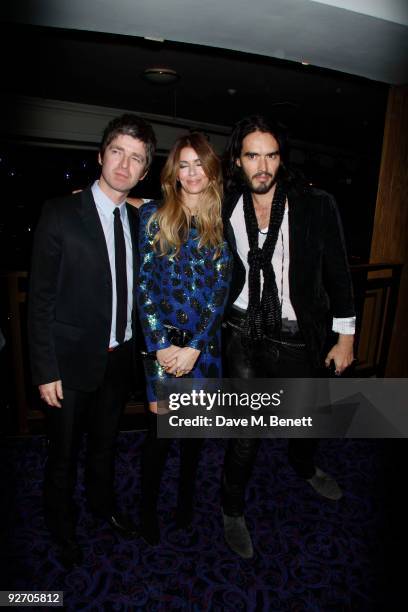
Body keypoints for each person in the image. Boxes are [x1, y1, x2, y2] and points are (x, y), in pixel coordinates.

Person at [220, 115, 355, 558]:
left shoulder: (315, 204)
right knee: (246, 430)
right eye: (252, 155)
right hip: (242, 328)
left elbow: (339, 274)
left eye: (271, 155)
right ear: (238, 160)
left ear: (282, 159)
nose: (262, 166)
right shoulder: (225, 203)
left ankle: (303, 463)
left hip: (299, 335)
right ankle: (232, 506)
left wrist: (345, 337)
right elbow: (175, 206)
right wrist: (124, 201)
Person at [28, 113, 157, 569]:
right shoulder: (60, 212)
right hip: (68, 362)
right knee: (62, 455)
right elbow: (39, 299)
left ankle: (103, 509)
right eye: (118, 152)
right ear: (101, 155)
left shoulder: (144, 219)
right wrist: (44, 370)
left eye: (136, 158)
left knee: (105, 445)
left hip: (119, 360)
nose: (124, 165)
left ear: (144, 170)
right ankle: (61, 528)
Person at [137, 132, 232, 544]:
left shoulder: (222, 221)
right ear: (173, 171)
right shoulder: (154, 216)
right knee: (159, 440)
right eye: (184, 164)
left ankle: (185, 503)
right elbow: (143, 287)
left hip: (204, 351)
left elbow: (221, 292)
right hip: (161, 349)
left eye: (200, 165)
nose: (192, 173)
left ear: (212, 172)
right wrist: (162, 347)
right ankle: (146, 510)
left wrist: (194, 347)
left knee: (193, 438)